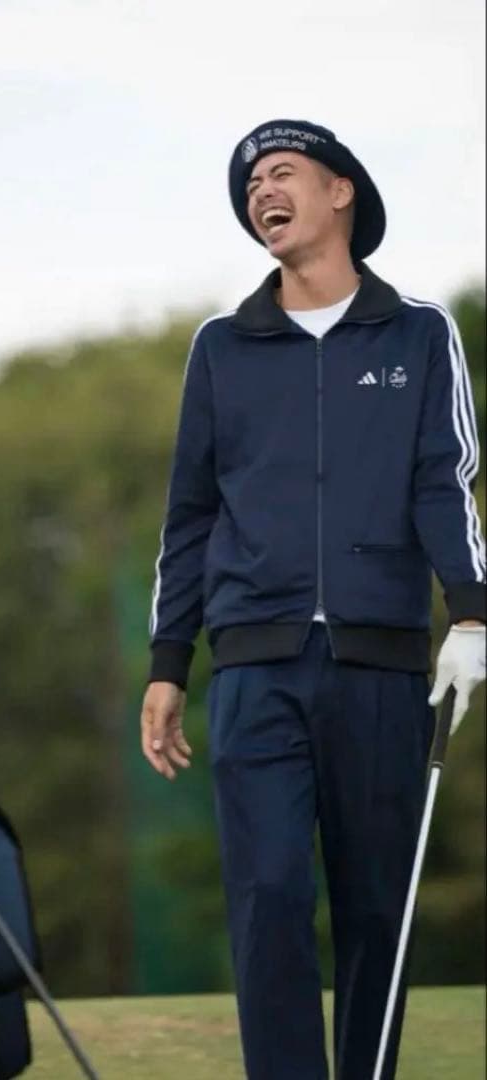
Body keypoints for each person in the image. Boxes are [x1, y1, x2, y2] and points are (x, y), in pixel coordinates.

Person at [139, 119, 486, 1080]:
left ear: (341, 192)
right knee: (269, 895)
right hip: (254, 667)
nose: (262, 191)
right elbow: (189, 515)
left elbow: (444, 481)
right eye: (251, 185)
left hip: (382, 667)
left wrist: (471, 612)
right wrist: (168, 664)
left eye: (282, 172)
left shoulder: (419, 331)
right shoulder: (222, 347)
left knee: (379, 907)